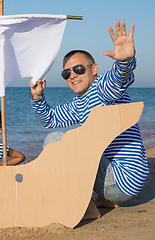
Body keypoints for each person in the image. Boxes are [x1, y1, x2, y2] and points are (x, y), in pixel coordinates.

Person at [29, 21, 149, 220]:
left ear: (94, 69)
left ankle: (87, 207)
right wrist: (37, 98)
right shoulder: (79, 103)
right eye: (66, 73)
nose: (72, 76)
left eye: (78, 69)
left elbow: (118, 80)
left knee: (54, 141)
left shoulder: (102, 88)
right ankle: (106, 200)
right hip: (121, 180)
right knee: (58, 136)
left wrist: (125, 62)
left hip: (122, 178)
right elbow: (49, 119)